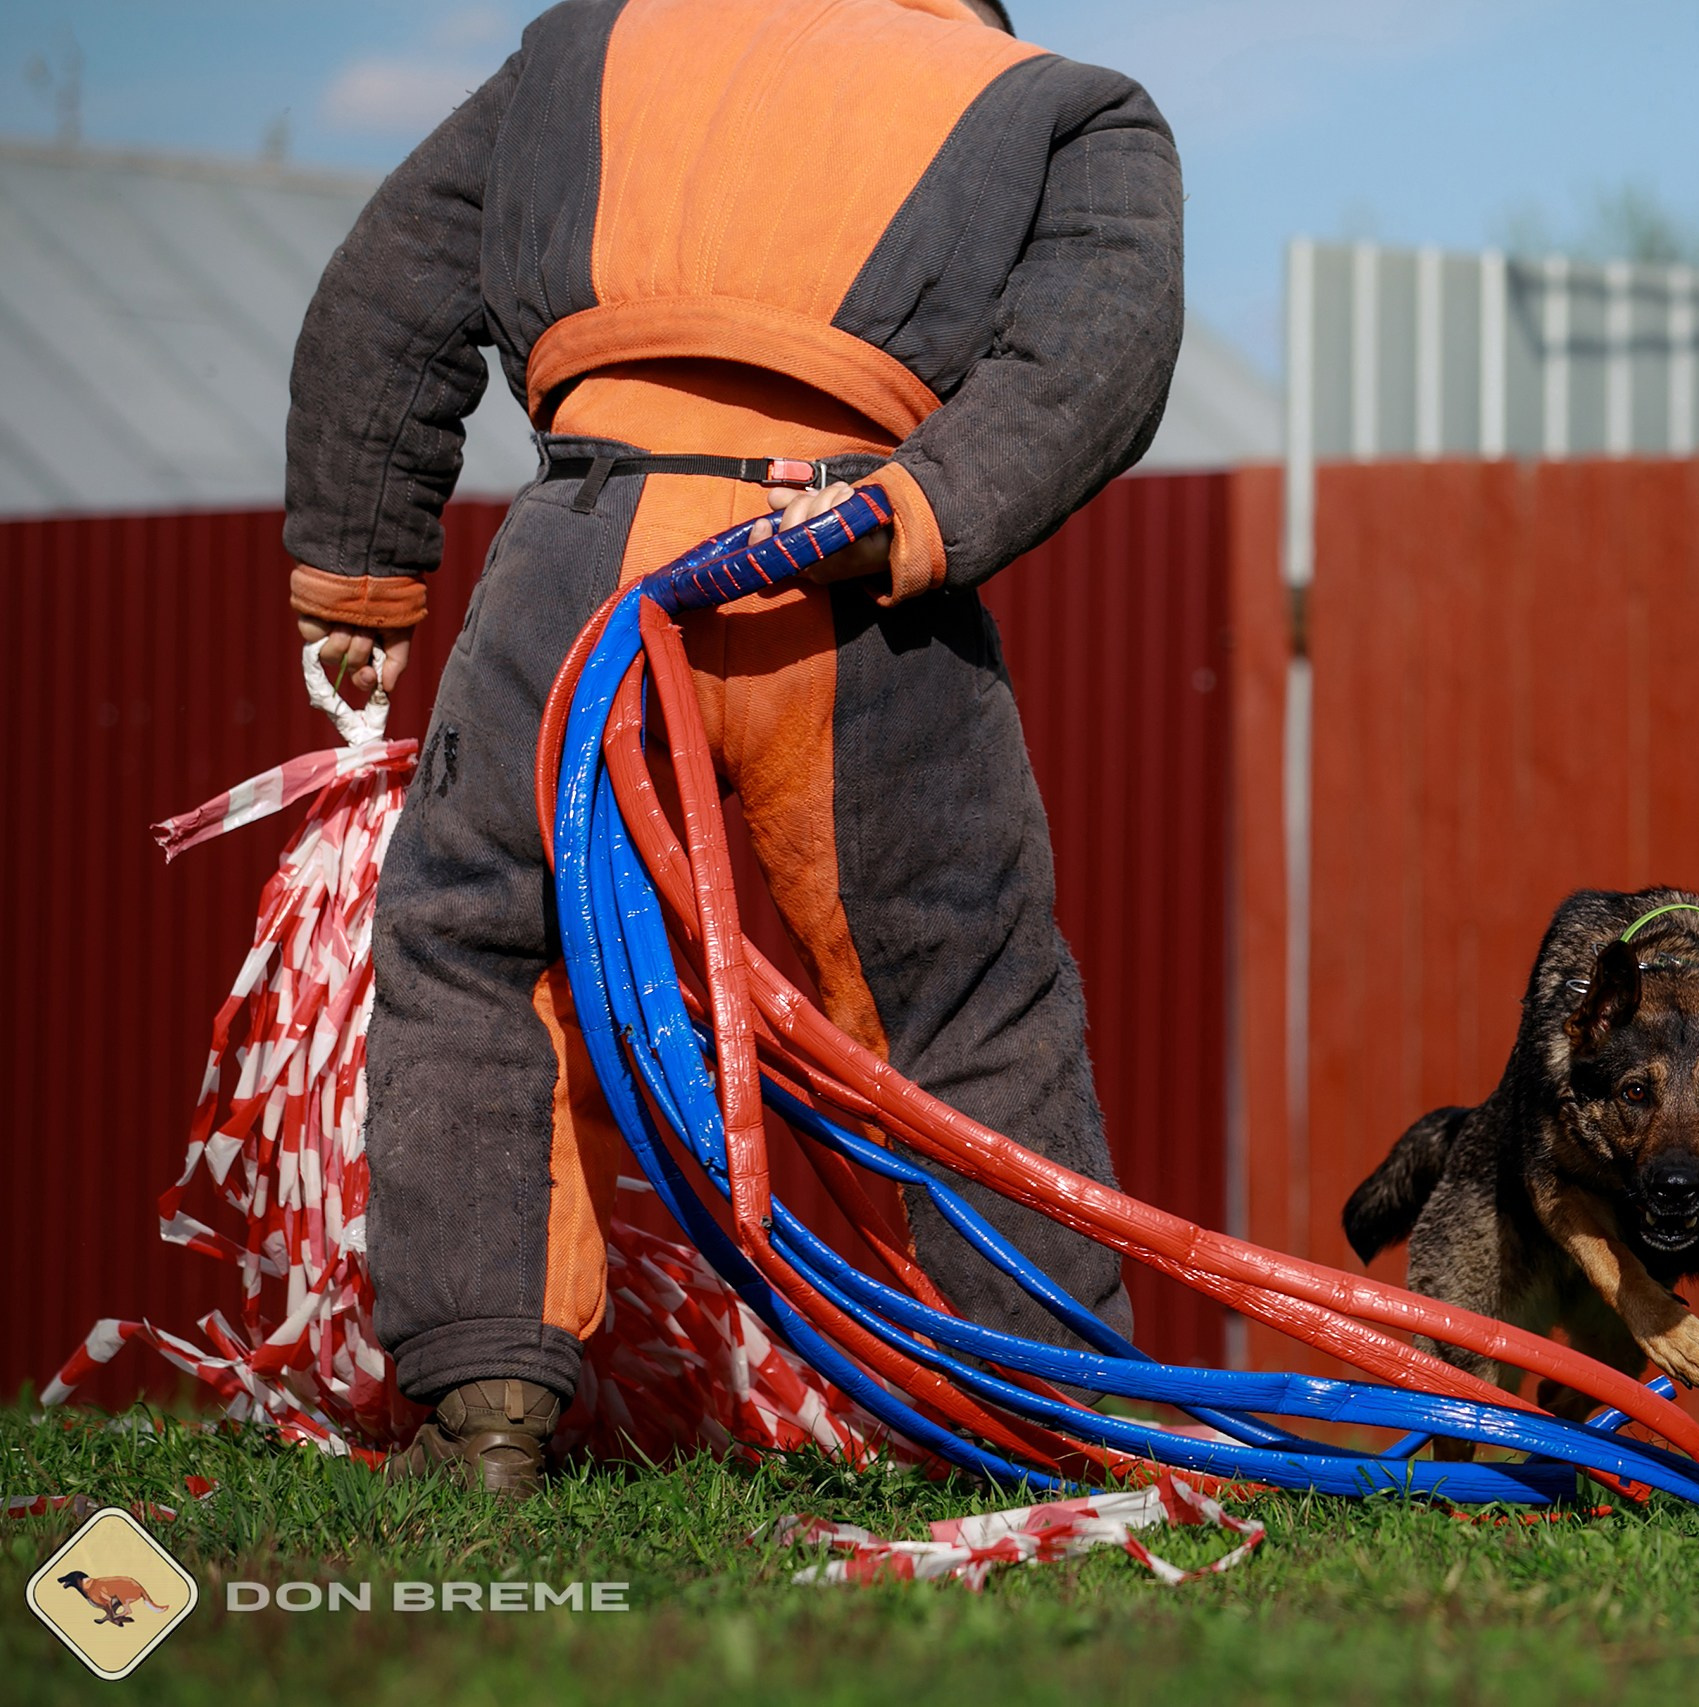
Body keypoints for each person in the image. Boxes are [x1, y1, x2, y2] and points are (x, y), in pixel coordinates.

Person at [283, 0, 1181, 1495]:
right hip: (849, 563)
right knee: (962, 1007)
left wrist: (359, 575)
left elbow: (388, 296)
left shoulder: (586, 46)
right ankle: (1051, 1428)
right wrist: (924, 508)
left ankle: (486, 1412)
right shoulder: (1063, 101)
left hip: (582, 558)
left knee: (483, 948)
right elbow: (1101, 352)